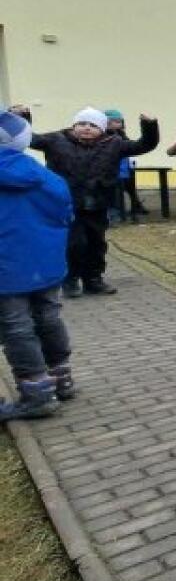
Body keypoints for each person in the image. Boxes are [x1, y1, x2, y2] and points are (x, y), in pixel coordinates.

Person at [29, 106, 159, 297]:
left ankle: (93, 279)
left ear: (102, 128)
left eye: (93, 125)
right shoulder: (56, 140)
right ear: (74, 126)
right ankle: (71, 279)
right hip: (66, 203)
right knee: (74, 244)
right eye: (81, 123)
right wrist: (21, 117)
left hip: (97, 202)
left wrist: (149, 125)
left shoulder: (114, 143)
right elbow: (29, 138)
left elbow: (145, 145)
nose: (86, 128)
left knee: (96, 243)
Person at [0, 110, 74, 421]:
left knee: (16, 326)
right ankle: (61, 377)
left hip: (7, 269)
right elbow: (65, 214)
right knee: (49, 317)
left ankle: (37, 392)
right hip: (47, 263)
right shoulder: (47, 177)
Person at [104, 109, 149, 221]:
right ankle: (116, 212)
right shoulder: (104, 135)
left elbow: (130, 147)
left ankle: (135, 206)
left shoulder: (121, 135)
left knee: (130, 188)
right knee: (115, 191)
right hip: (112, 170)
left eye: (120, 121)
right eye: (115, 121)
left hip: (124, 167)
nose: (118, 124)